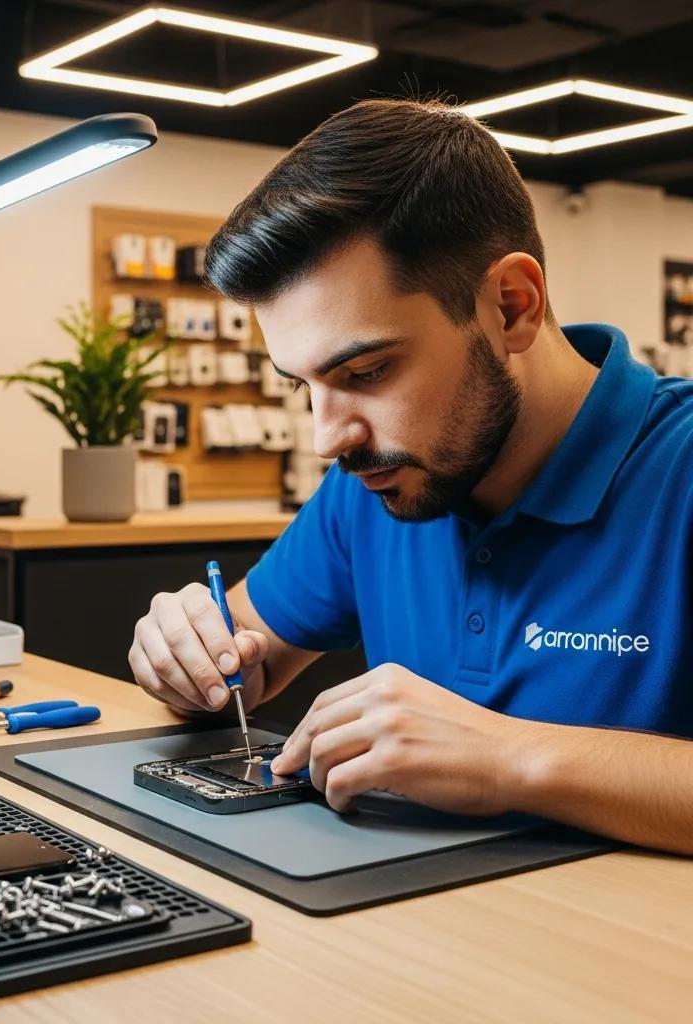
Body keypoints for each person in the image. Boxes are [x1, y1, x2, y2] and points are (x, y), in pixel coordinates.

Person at [129, 99, 693, 854]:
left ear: (511, 307)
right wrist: (188, 658)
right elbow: (246, 657)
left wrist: (510, 757)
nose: (329, 438)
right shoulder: (374, 483)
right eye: (302, 387)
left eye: (365, 372)